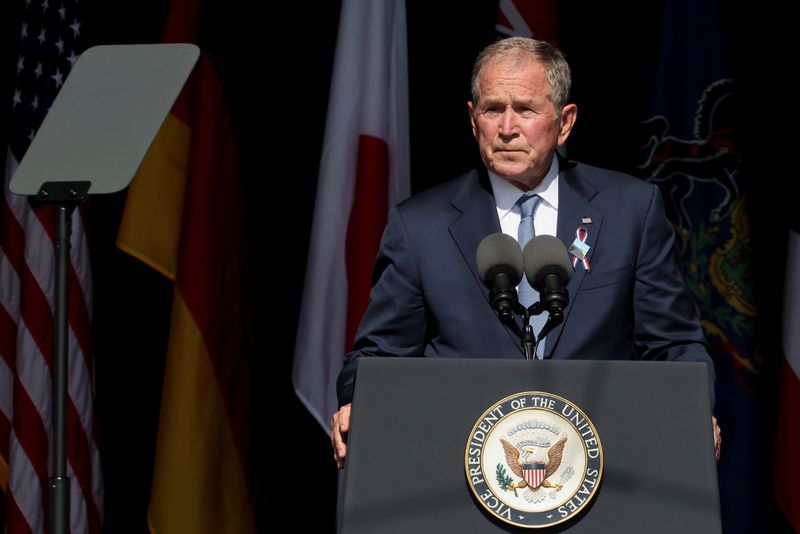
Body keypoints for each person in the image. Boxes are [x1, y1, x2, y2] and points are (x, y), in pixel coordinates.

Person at [331, 37, 721, 468]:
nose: (507, 127)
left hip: (606, 463)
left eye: (526, 109)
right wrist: (356, 400)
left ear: (565, 121)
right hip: (460, 467)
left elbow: (675, 345)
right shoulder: (420, 226)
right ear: (472, 119)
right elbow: (377, 356)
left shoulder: (631, 210)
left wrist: (693, 409)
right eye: (493, 109)